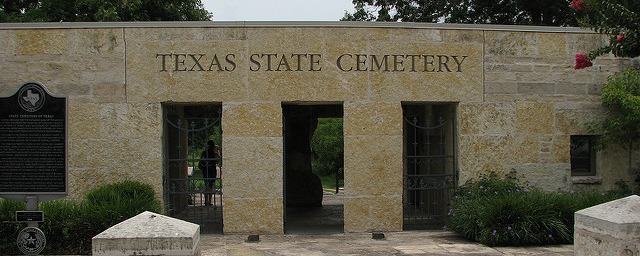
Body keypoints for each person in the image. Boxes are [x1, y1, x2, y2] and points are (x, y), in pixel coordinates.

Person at [199, 140, 219, 206]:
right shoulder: (214, 153)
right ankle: (209, 201)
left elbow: (200, 162)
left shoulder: (204, 153)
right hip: (212, 170)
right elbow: (218, 160)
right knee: (211, 186)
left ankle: (206, 201)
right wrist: (217, 149)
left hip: (205, 170)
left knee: (207, 185)